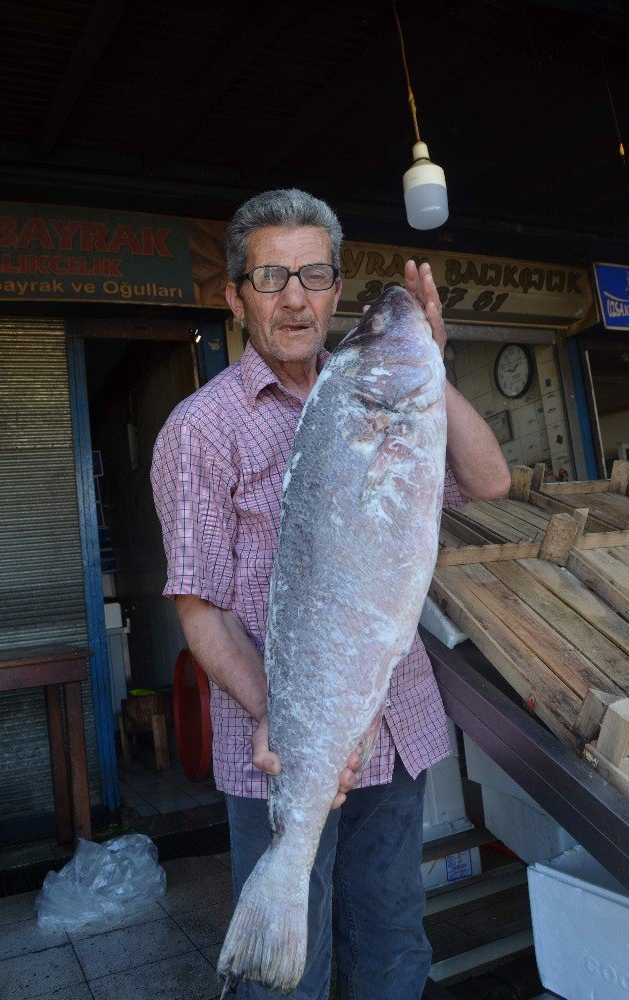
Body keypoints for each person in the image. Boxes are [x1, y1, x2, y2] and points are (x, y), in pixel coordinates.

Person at [151, 188, 510, 1000]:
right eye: (270, 277)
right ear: (234, 296)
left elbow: (491, 480)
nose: (294, 297)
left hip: (394, 723)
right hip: (284, 744)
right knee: (293, 981)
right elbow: (198, 608)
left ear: (337, 289)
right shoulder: (201, 430)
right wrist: (279, 715)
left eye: (313, 274)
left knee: (390, 949)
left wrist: (428, 360)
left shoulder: (377, 393)